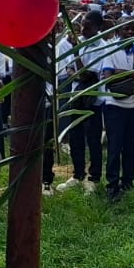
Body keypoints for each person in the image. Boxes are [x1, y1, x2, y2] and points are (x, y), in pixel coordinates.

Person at [97, 21, 134, 200]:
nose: (129, 32)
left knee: (131, 146)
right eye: (125, 29)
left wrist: (123, 72)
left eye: (132, 29)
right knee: (114, 145)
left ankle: (128, 181)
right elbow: (108, 76)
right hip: (115, 105)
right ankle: (112, 184)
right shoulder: (110, 49)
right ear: (118, 32)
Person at [54, 13, 104, 193]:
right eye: (82, 25)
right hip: (76, 95)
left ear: (97, 27)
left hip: (92, 98)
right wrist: (76, 73)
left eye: (87, 27)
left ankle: (94, 176)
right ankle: (78, 174)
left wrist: (76, 53)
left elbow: (88, 74)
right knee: (76, 136)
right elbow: (70, 68)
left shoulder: (102, 47)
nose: (82, 30)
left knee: (93, 137)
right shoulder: (79, 42)